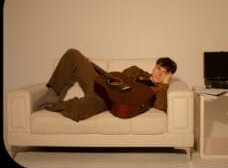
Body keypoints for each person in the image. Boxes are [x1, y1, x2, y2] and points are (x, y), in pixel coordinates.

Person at [34, 48, 177, 122]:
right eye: (159, 68)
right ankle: (52, 94)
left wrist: (165, 83)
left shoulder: (158, 90)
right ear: (154, 67)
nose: (160, 73)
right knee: (73, 54)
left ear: (168, 76)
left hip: (109, 101)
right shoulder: (135, 70)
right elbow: (116, 78)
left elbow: (162, 105)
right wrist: (92, 67)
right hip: (102, 85)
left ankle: (52, 107)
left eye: (165, 73)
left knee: (80, 109)